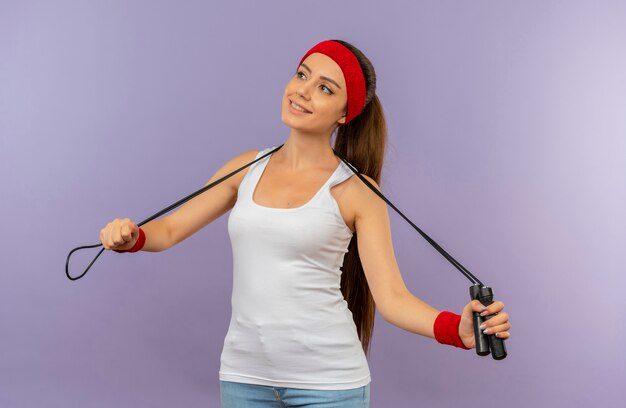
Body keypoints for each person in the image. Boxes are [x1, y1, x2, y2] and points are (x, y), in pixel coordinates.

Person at [99, 39, 511, 408]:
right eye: (302, 75)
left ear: (345, 114)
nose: (303, 91)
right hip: (244, 379)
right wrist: (132, 238)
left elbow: (393, 299)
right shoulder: (245, 168)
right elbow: (168, 231)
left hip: (329, 386)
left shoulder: (355, 191)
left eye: (325, 88)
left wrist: (455, 330)